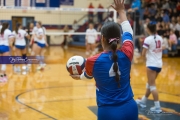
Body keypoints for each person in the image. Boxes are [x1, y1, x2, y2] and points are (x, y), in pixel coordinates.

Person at [70, 0, 138, 119]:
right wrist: (122, 11)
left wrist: (78, 77)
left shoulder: (92, 61)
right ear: (119, 38)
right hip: (130, 108)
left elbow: (87, 76)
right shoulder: (127, 53)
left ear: (102, 38)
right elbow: (128, 31)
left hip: (107, 112)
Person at [136, 21, 163, 113]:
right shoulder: (160, 38)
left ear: (148, 29)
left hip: (151, 64)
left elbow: (143, 54)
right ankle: (143, 101)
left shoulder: (148, 39)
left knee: (152, 86)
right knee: (149, 83)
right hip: (159, 64)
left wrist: (139, 56)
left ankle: (157, 107)